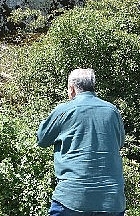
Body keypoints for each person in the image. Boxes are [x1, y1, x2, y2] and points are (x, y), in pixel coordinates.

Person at [37, 68, 126, 216]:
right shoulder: (112, 111)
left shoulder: (64, 110)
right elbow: (119, 143)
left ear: (71, 88)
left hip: (72, 197)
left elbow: (42, 139)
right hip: (112, 199)